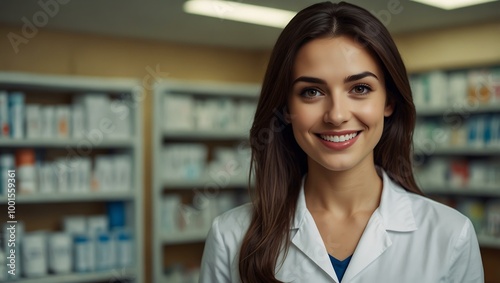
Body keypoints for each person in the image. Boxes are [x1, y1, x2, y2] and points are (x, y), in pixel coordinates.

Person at [199, 2, 484, 283]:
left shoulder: (450, 235)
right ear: (285, 108)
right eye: (311, 91)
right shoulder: (231, 236)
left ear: (389, 101)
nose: (336, 115)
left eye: (360, 88)